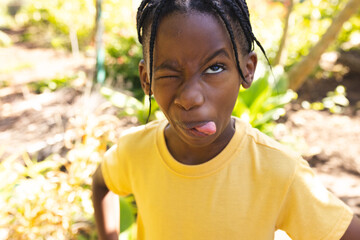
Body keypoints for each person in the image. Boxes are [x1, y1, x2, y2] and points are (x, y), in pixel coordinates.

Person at [92, 0, 360, 239]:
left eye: (214, 68)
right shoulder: (135, 150)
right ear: (146, 79)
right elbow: (102, 182)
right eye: (169, 74)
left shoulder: (278, 172)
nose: (190, 97)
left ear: (247, 69)